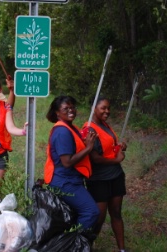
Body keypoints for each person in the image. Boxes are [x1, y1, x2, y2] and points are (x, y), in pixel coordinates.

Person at [43, 95, 100, 233]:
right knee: (91, 212)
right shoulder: (62, 131)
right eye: (66, 108)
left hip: (71, 179)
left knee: (74, 214)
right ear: (57, 112)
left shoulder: (70, 127)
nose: (71, 110)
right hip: (65, 182)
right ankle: (73, 242)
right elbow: (67, 162)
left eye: (72, 107)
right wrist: (88, 148)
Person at [83, 96, 127, 252]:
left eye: (108, 108)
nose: (107, 111)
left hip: (115, 176)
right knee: (98, 218)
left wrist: (119, 147)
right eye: (103, 108)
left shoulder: (105, 126)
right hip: (98, 179)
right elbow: (95, 158)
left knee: (116, 213)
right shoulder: (89, 129)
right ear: (94, 109)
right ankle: (87, 247)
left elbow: (109, 149)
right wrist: (116, 161)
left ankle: (122, 249)